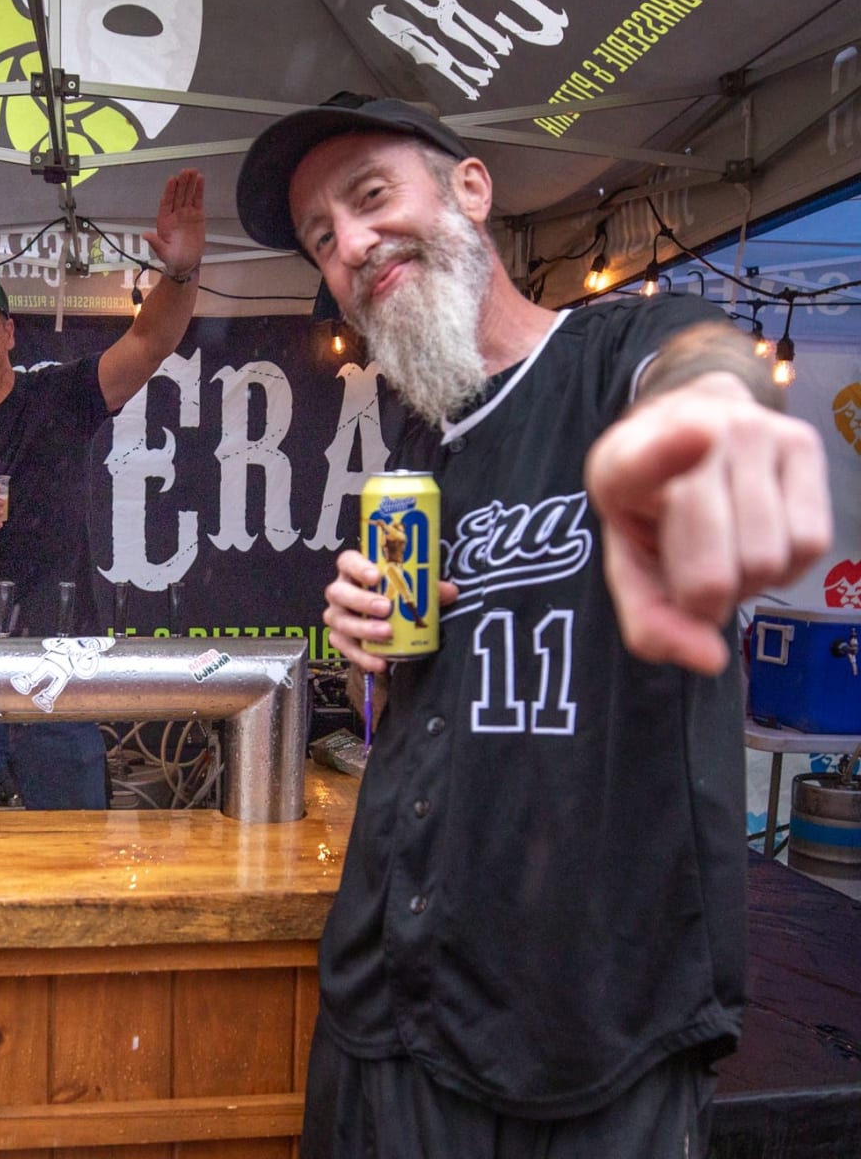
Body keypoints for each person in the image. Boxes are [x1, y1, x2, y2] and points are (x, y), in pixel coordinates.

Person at [236, 94, 832, 1157]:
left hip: (594, 1024)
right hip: (394, 1008)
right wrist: (363, 647)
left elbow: (704, 369)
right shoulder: (425, 454)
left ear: (471, 188)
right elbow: (425, 718)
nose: (353, 244)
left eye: (371, 198)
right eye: (324, 240)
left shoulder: (618, 353)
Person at [0, 168, 205, 811]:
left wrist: (181, 272)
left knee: (74, 858)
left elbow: (151, 340)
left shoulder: (57, 398)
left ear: (8, 333)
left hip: (56, 677)